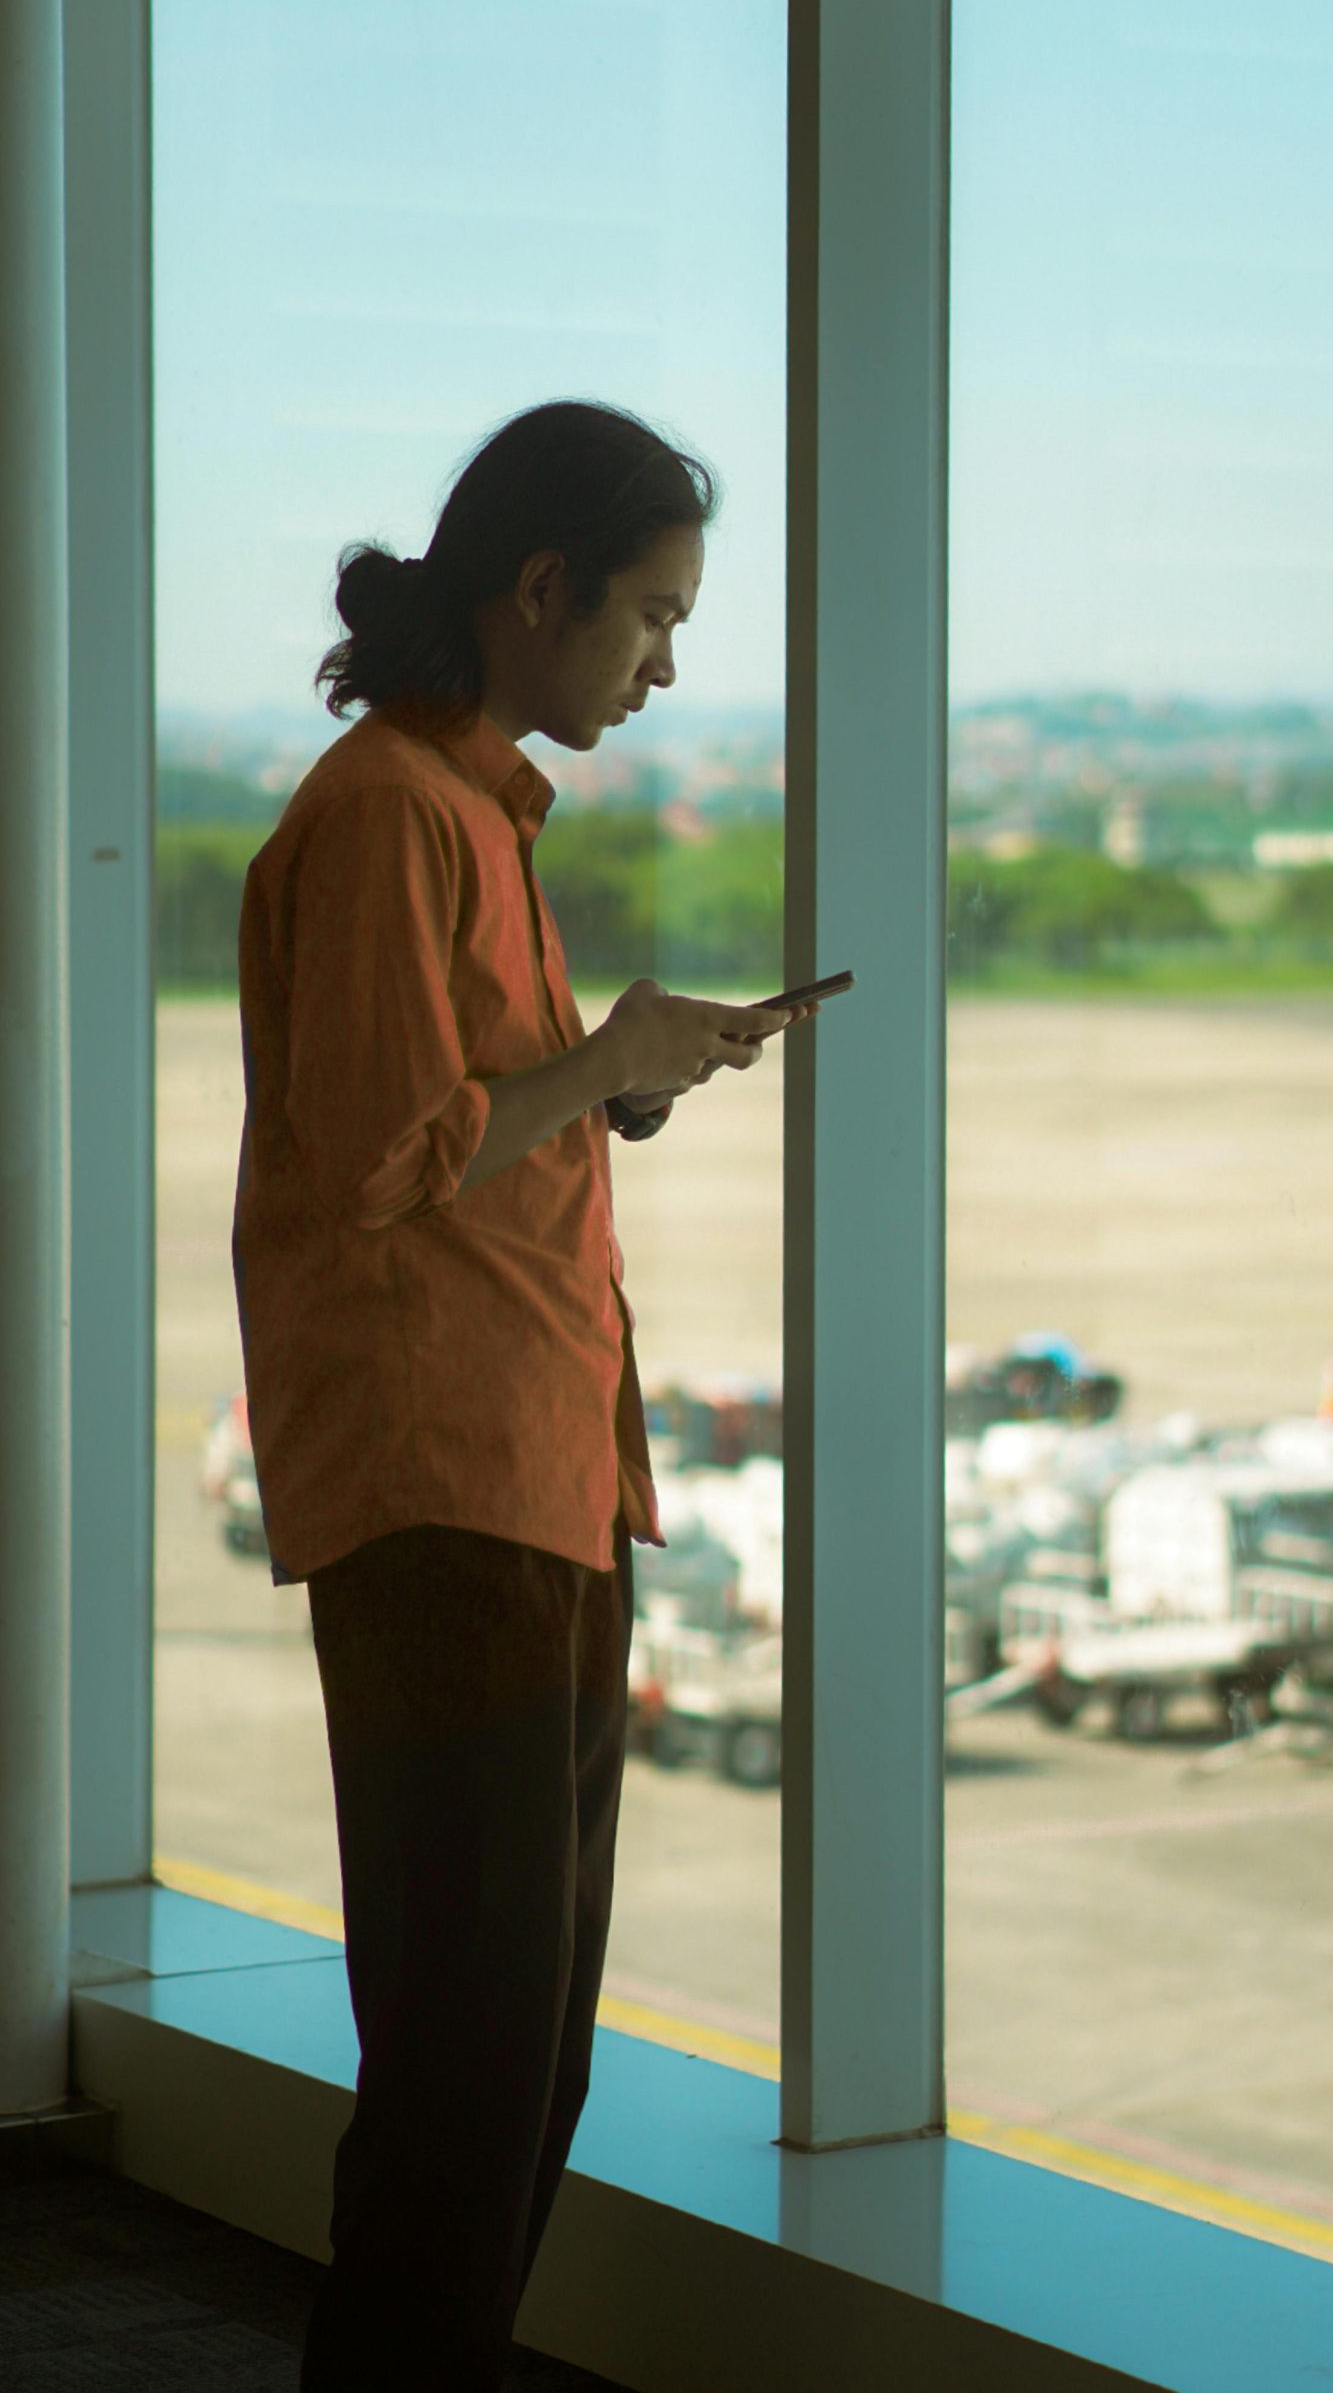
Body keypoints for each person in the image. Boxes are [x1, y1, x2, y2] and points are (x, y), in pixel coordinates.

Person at [229, 400, 810, 2389]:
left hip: (538, 1478)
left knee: (517, 2058)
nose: (665, 664)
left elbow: (463, 1113)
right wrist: (606, 1057)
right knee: (468, 2069)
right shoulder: (391, 812)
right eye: (653, 616)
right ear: (541, 588)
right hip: (445, 1486)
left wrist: (602, 1083)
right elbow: (384, 1156)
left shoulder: (471, 811)